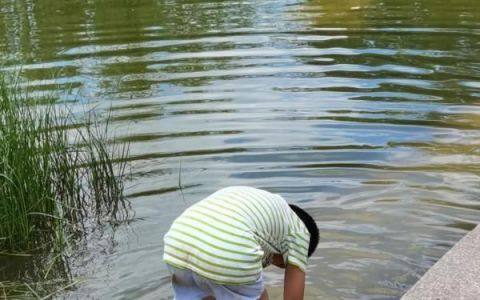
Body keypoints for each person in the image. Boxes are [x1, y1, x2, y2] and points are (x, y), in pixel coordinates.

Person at [163, 186, 320, 300]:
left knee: (207, 294)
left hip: (176, 241)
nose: (270, 263)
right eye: (280, 264)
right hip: (228, 248)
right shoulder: (300, 232)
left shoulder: (260, 203)